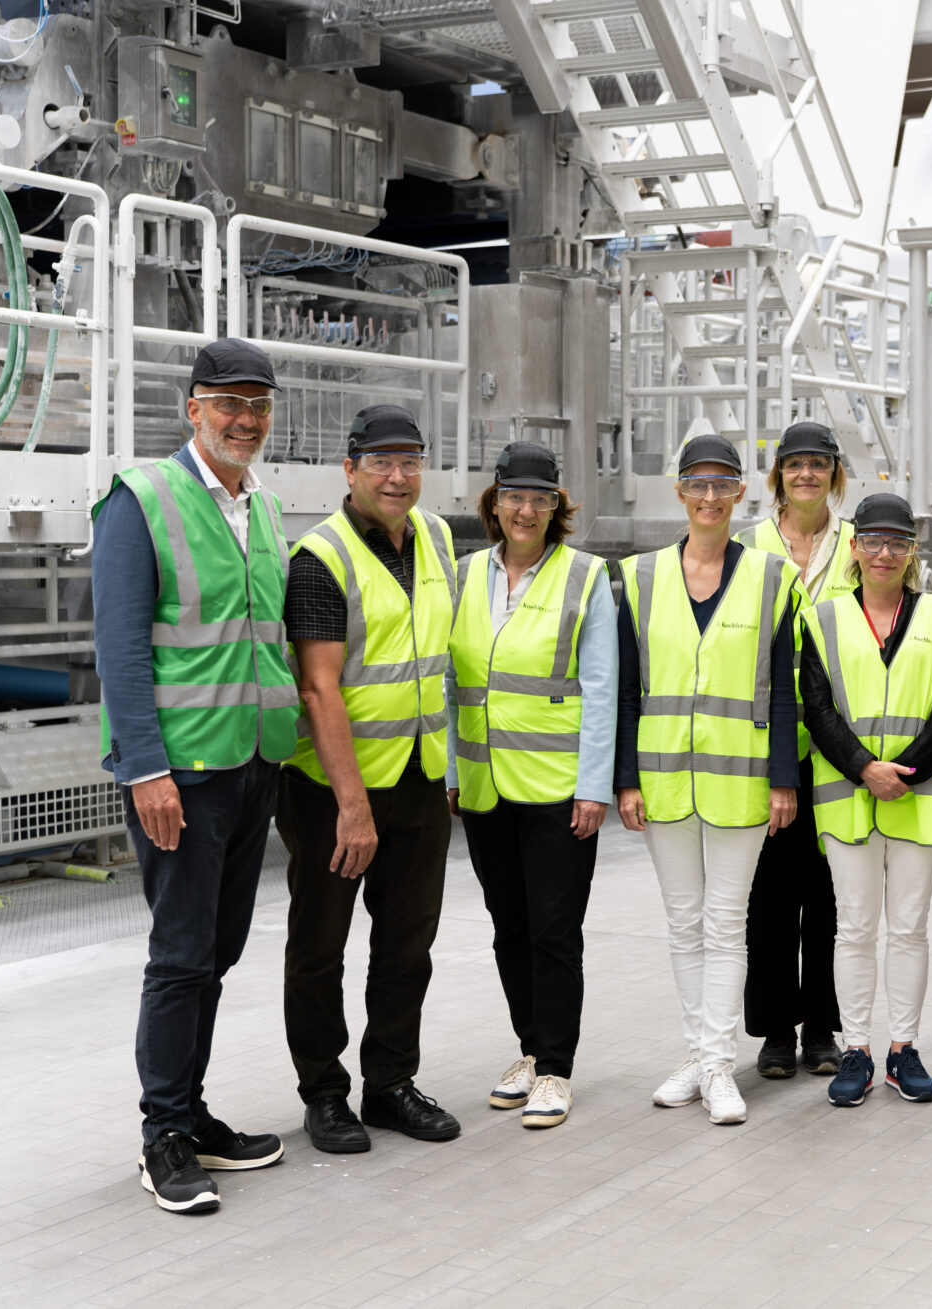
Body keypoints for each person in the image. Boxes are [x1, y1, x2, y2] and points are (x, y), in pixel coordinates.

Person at [92, 337, 300, 1215]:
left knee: (219, 949)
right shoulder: (141, 499)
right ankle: (163, 1136)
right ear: (194, 409)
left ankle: (192, 1112)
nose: (245, 419)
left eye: (258, 405)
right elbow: (119, 648)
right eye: (229, 404)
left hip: (252, 762)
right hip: (181, 772)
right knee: (181, 954)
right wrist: (145, 768)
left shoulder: (265, 507)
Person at [278, 405, 462, 1155]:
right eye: (381, 461)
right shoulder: (320, 557)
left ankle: (389, 1083)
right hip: (331, 790)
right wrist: (352, 807)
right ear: (349, 469)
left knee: (408, 943)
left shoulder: (437, 537)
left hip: (418, 774)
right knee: (320, 946)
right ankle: (324, 1093)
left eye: (410, 461)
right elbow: (318, 686)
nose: (397, 476)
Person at [617, 433, 800, 1125]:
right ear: (680, 491)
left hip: (741, 781)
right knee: (683, 923)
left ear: (741, 492)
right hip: (663, 778)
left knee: (726, 924)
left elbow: (783, 690)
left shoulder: (772, 577)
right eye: (698, 482)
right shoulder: (640, 577)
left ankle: (720, 1064)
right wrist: (626, 778)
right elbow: (627, 689)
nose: (711, 496)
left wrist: (783, 778)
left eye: (724, 484)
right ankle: (698, 1054)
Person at [450, 442, 615, 1130]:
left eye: (539, 499)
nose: (525, 510)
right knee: (509, 928)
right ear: (495, 503)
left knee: (554, 930)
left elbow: (602, 688)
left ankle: (555, 1067)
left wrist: (594, 787)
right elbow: (453, 683)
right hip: (484, 784)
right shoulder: (464, 574)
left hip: (558, 787)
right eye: (514, 496)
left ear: (556, 508)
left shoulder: (585, 576)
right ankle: (528, 1047)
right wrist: (454, 772)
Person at [799, 493, 932, 1107]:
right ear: (853, 548)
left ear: (912, 551)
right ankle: (856, 1049)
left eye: (897, 542)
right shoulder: (821, 619)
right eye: (872, 541)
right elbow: (816, 706)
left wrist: (905, 771)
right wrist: (863, 768)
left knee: (908, 929)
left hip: (919, 796)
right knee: (853, 929)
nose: (884, 553)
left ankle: (903, 1048)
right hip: (847, 797)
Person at [736, 420, 855, 1079]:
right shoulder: (747, 545)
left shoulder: (859, 545)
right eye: (794, 463)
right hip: (767, 747)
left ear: (834, 472)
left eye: (818, 462)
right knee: (769, 898)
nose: (806, 473)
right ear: (777, 473)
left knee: (829, 896)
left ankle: (822, 1027)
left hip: (839, 747)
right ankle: (777, 1030)